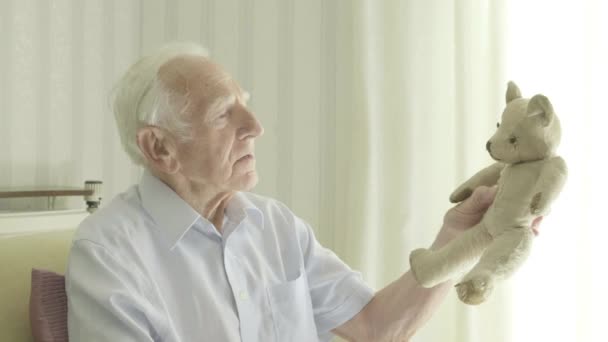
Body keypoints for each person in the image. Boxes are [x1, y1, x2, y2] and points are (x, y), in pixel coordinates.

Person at [65, 42, 540, 342]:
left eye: (244, 107)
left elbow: (376, 328)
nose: (255, 126)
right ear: (160, 148)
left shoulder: (273, 225)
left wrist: (460, 234)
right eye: (223, 114)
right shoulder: (108, 254)